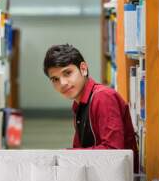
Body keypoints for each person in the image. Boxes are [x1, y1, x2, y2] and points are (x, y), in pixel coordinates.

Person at [43, 44, 139, 172]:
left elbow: (113, 151)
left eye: (67, 73)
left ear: (83, 69)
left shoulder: (103, 97)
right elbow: (79, 150)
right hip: (99, 176)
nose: (63, 83)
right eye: (55, 79)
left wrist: (67, 155)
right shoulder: (78, 105)